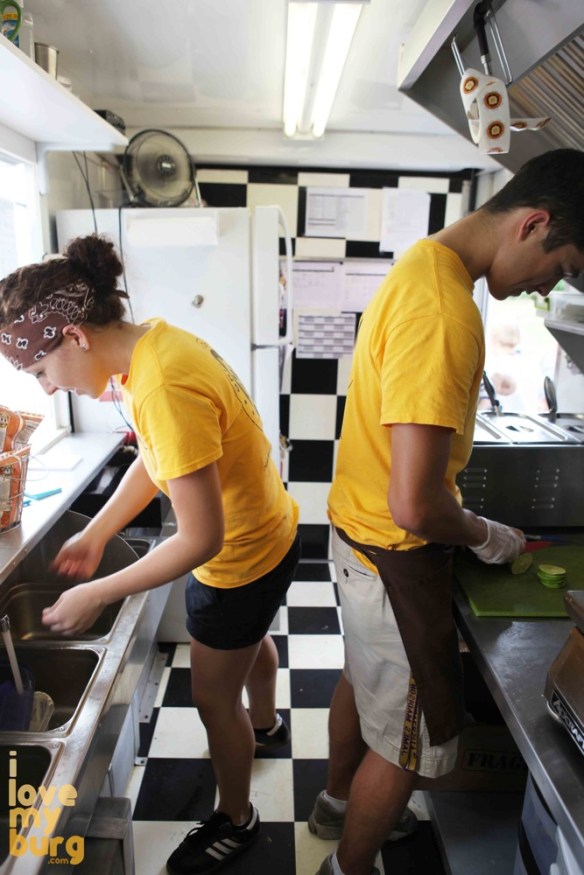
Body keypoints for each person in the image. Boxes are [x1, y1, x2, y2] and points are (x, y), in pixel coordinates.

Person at [310, 148, 584, 875]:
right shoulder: (445, 309)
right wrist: (489, 534)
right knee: (410, 739)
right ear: (534, 223)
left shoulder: (422, 266)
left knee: (359, 679)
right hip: (395, 554)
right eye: (557, 269)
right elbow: (417, 502)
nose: (540, 290)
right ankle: (349, 864)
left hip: (355, 537)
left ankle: (337, 800)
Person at [0, 235, 300, 875]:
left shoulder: (160, 383)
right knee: (248, 642)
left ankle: (238, 819)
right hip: (272, 534)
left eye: (41, 372)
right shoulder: (151, 348)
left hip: (240, 557)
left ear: (75, 336)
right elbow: (161, 461)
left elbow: (200, 539)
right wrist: (100, 531)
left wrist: (99, 590)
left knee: (215, 701)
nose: (49, 390)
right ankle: (270, 725)